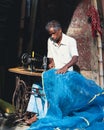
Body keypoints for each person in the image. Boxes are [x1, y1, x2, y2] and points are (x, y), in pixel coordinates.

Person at [27, 20, 104, 130]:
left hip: (67, 76)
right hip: (56, 74)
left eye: (54, 33)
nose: (52, 36)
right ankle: (37, 114)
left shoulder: (70, 41)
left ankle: (44, 115)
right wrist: (51, 63)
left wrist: (65, 67)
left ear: (60, 31)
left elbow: (75, 58)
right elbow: (51, 58)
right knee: (37, 87)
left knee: (54, 91)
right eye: (50, 34)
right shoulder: (50, 41)